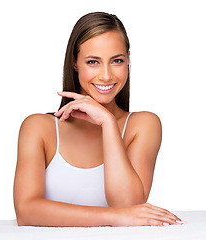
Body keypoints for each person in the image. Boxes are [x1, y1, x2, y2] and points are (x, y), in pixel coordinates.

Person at [13, 12, 184, 227]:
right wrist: (112, 217)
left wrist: (108, 123)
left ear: (129, 60)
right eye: (93, 61)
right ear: (74, 63)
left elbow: (127, 204)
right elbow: (26, 212)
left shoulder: (143, 125)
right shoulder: (38, 128)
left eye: (117, 61)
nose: (105, 75)